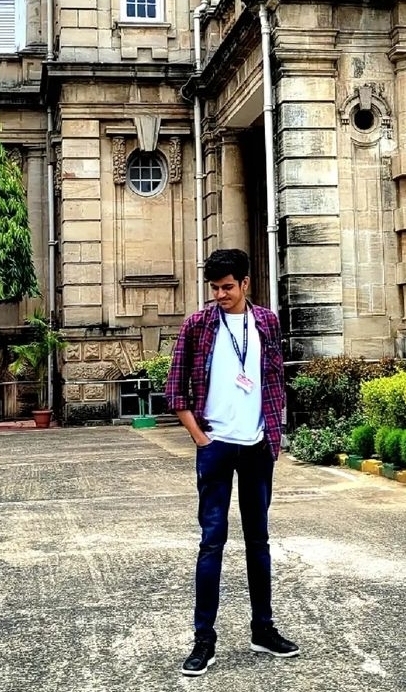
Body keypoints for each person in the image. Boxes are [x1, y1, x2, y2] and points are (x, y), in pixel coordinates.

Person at [166, 248, 300, 676]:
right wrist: (200, 438)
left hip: (257, 446)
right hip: (217, 445)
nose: (220, 295)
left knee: (259, 542)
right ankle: (203, 640)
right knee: (212, 542)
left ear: (245, 283)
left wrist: (273, 431)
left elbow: (274, 379)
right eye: (215, 288)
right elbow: (175, 389)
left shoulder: (267, 322)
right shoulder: (198, 324)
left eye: (227, 287)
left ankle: (263, 630)